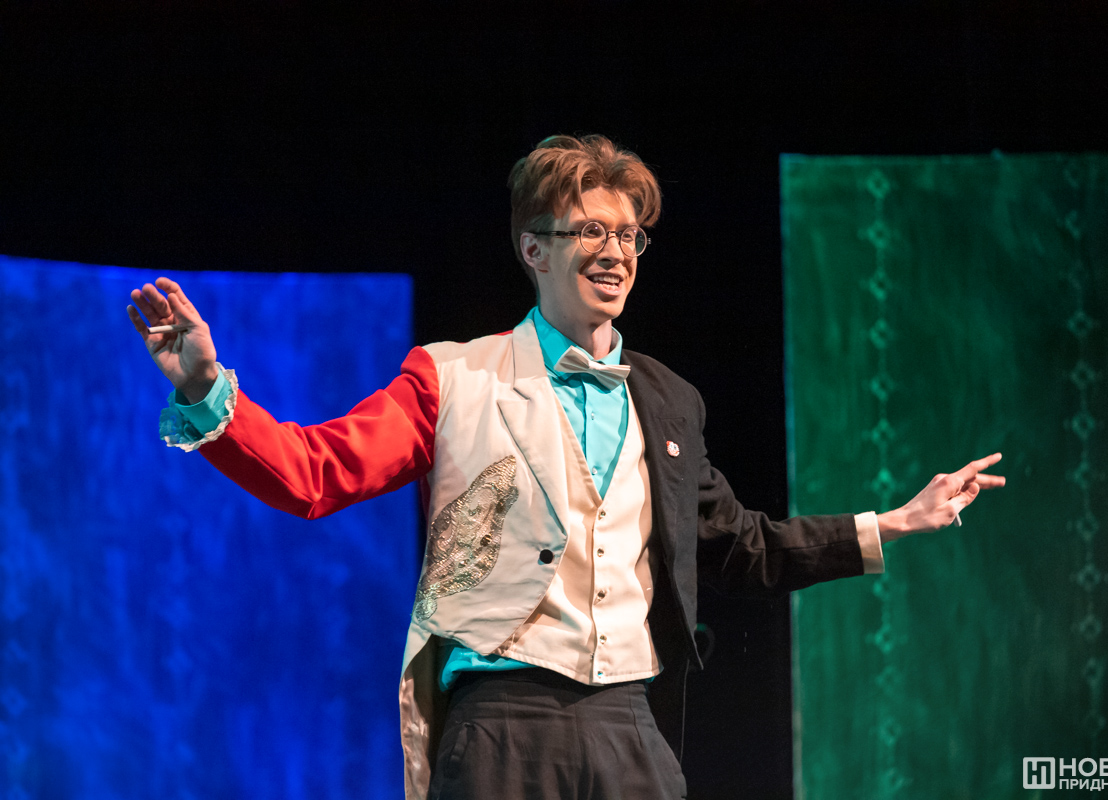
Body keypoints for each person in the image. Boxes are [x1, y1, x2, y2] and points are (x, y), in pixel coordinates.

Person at [127, 134, 1004, 800]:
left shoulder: (668, 400)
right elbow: (316, 472)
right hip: (502, 729)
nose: (615, 251)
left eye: (629, 234)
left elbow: (738, 545)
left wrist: (889, 525)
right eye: (590, 230)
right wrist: (207, 388)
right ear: (533, 249)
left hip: (628, 724)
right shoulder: (453, 377)